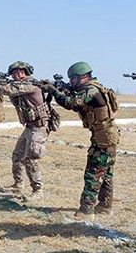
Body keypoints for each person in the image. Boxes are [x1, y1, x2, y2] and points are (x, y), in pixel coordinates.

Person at [45, 61, 118, 221]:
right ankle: (105, 207)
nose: (71, 81)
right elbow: (78, 102)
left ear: (83, 77)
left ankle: (86, 210)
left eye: (73, 79)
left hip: (103, 137)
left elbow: (72, 104)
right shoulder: (93, 88)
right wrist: (63, 89)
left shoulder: (91, 90)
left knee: (93, 173)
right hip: (105, 135)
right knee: (106, 173)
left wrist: (54, 92)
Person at [0, 61, 48, 203]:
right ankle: (18, 184)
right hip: (30, 127)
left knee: (31, 159)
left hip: (38, 127)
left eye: (14, 73)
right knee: (17, 155)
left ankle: (38, 190)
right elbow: (13, 95)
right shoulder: (20, 86)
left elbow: (10, 91)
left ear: (22, 72)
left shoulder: (31, 83)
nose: (13, 76)